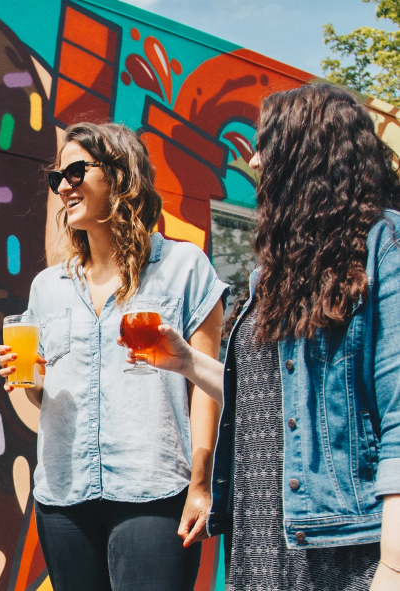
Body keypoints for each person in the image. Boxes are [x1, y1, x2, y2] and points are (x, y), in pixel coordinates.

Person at [122, 84, 400, 590]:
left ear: (308, 153)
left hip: (342, 545)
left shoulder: (383, 247)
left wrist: (395, 566)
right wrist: (186, 361)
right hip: (261, 536)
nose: (253, 159)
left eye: (265, 144)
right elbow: (267, 404)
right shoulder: (272, 275)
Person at [0, 122, 228, 590]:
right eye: (56, 177)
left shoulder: (184, 268)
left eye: (77, 171)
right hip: (63, 496)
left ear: (122, 175)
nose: (63, 186)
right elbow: (51, 394)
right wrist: (29, 382)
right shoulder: (47, 287)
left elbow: (207, 387)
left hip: (155, 491)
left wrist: (201, 483)